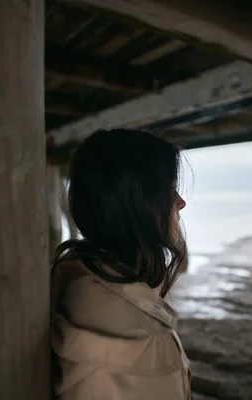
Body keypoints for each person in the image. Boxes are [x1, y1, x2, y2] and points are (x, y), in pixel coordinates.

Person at [51, 129, 191, 400]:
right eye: (167, 190)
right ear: (136, 202)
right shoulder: (148, 341)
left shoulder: (75, 276)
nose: (181, 202)